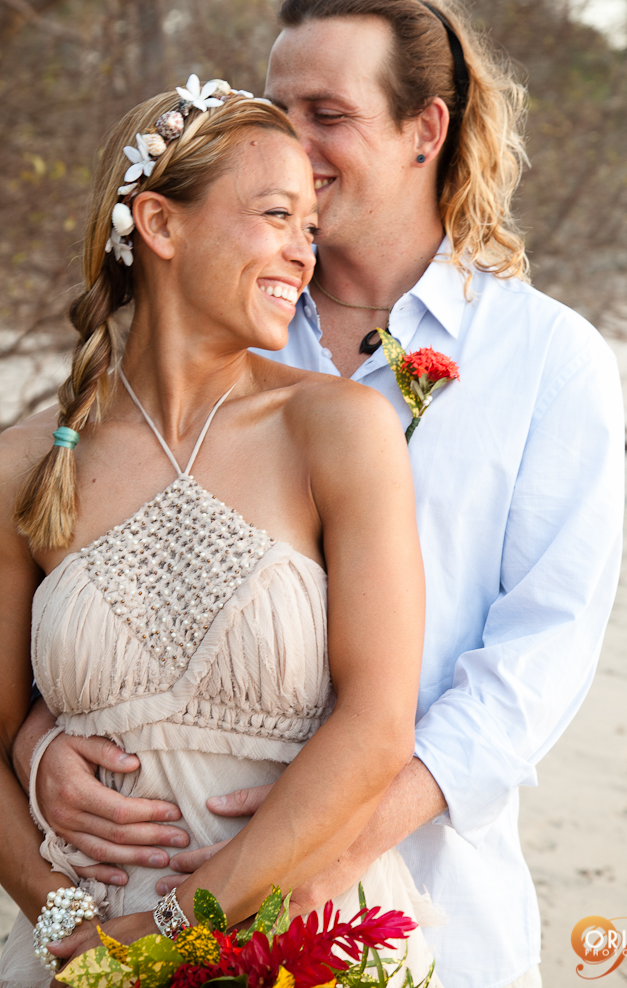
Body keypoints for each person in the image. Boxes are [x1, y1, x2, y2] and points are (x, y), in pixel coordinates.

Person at [12, 0, 626, 988]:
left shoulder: (547, 361)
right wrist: (45, 739)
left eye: (325, 114)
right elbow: (99, 571)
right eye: (276, 105)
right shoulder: (223, 313)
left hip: (404, 895)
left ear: (425, 129)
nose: (289, 138)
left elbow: (536, 664)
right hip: (151, 872)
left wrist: (317, 860)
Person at [0, 78, 441, 987]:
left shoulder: (337, 431)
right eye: (277, 215)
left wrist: (170, 932)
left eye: (310, 230)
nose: (302, 251)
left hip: (293, 940)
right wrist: (77, 934)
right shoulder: (25, 464)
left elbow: (376, 726)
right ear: (159, 226)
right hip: (83, 953)